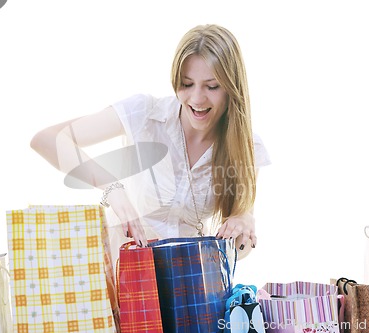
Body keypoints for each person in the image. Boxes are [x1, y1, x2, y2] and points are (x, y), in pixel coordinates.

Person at [30, 24, 270, 259]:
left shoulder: (247, 146)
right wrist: (113, 189)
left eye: (212, 86)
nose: (197, 98)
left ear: (232, 87)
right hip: (125, 276)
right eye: (186, 84)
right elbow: (46, 140)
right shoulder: (145, 114)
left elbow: (239, 250)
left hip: (185, 282)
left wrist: (244, 221)